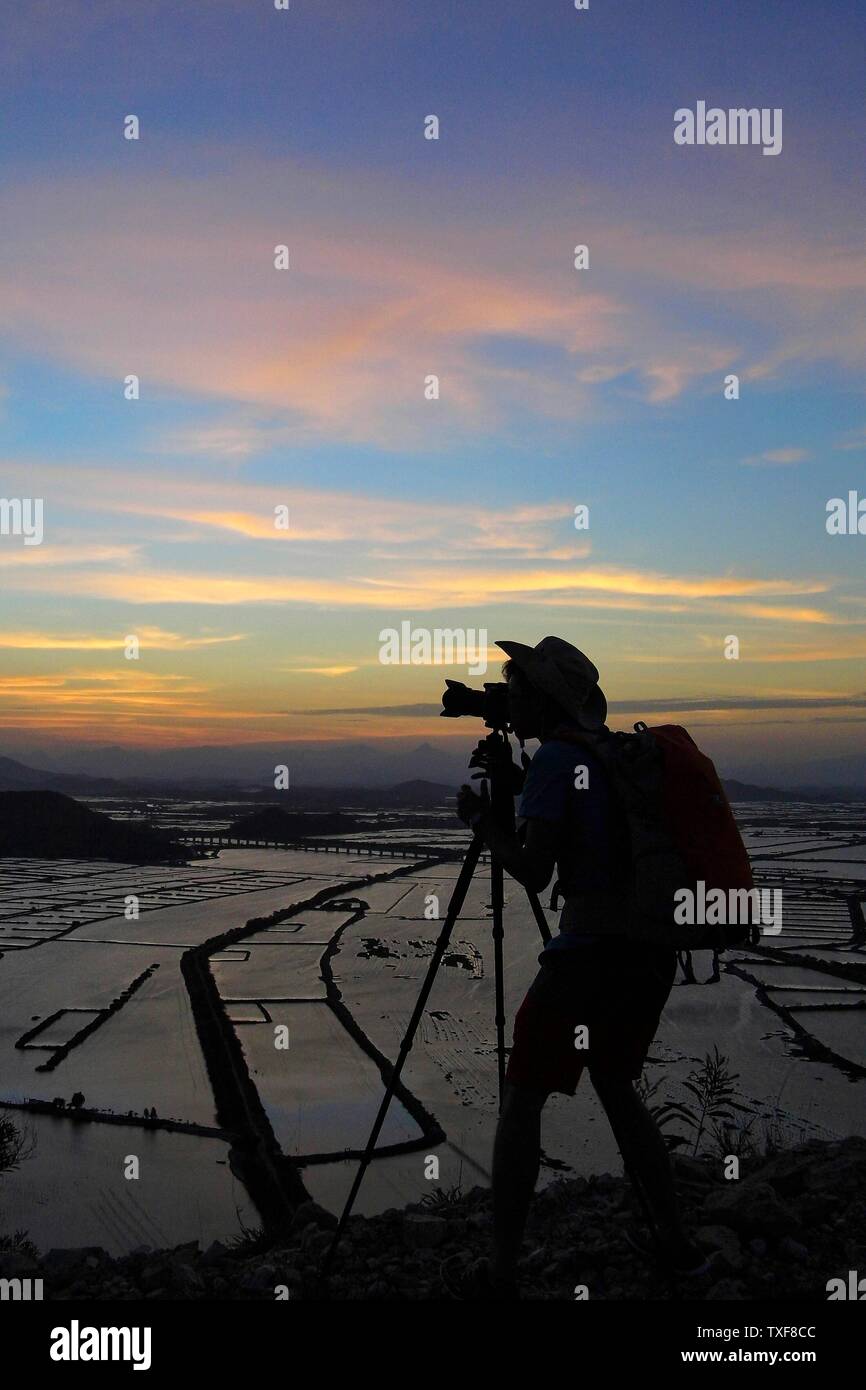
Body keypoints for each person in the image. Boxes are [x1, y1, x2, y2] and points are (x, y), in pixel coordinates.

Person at [453, 636, 708, 1298]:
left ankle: (503, 1273)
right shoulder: (607, 756)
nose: (509, 701)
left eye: (517, 690)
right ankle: (679, 1248)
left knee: (522, 1100)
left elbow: (537, 872)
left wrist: (487, 825)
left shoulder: (558, 760)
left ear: (544, 699)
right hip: (647, 953)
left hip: (588, 958)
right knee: (619, 1088)